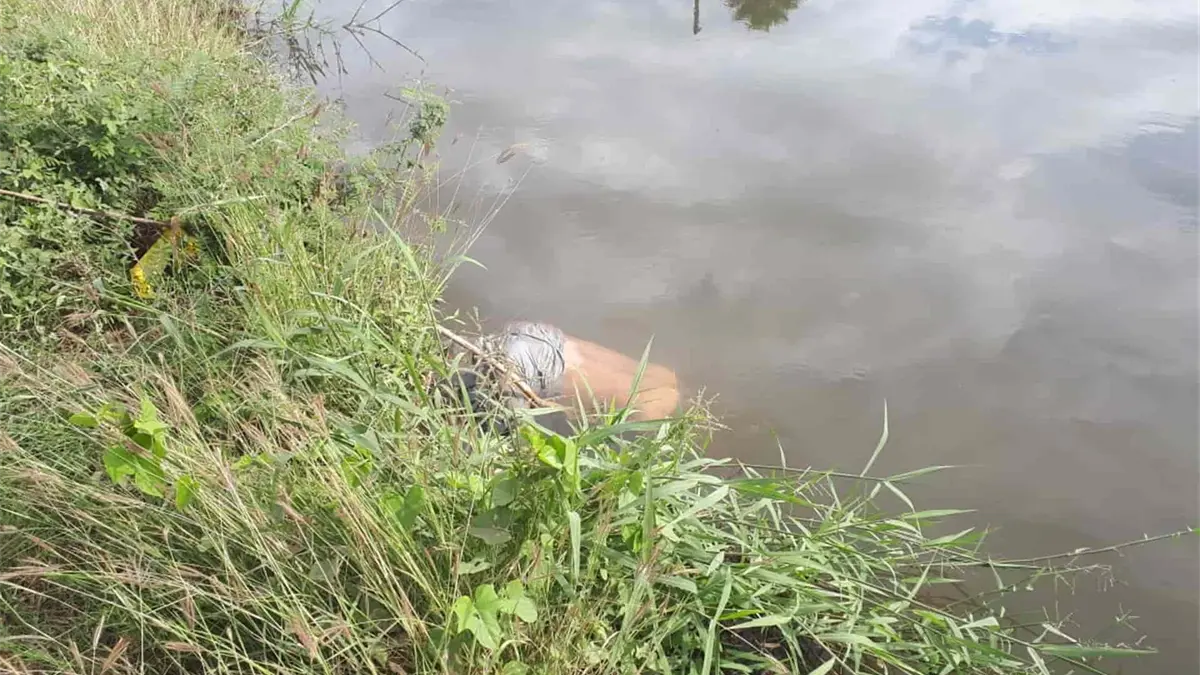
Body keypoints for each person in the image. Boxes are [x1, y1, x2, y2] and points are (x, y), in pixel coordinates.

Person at [439, 320, 680, 431]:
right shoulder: (659, 392)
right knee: (653, 381)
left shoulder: (660, 379)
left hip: (531, 351)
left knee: (644, 404)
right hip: (529, 350)